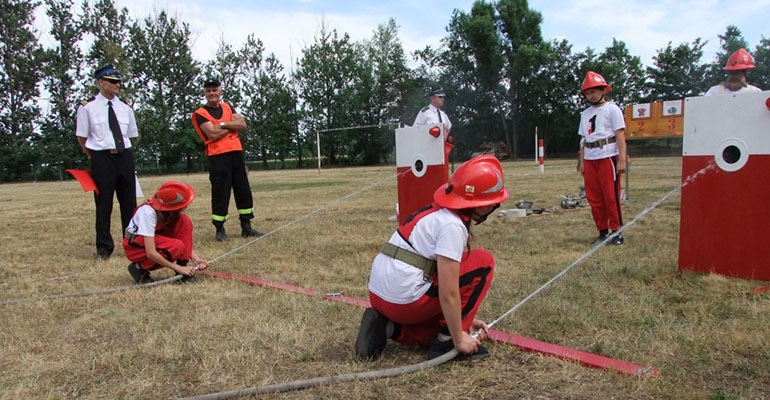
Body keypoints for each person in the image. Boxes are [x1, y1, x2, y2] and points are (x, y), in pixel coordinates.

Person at [355, 155, 509, 361]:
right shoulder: (452, 226)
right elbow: (449, 294)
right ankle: (447, 342)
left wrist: (462, 319)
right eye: (493, 204)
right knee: (483, 262)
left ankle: (390, 328)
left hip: (379, 296)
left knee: (443, 323)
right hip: (403, 302)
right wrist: (459, 337)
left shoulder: (434, 213)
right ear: (482, 205)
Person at [75, 64, 138, 261]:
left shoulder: (125, 107)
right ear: (101, 82)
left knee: (130, 203)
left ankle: (132, 244)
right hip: (102, 158)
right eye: (112, 81)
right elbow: (82, 136)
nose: (117, 85)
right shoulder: (88, 107)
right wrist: (91, 154)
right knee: (104, 205)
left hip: (124, 156)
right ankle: (104, 249)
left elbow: (130, 134)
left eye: (118, 81)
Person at [191, 78, 262, 241]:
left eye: (215, 90)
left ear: (220, 91)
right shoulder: (200, 113)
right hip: (218, 156)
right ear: (204, 93)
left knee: (243, 190)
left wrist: (222, 125)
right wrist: (231, 126)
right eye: (208, 90)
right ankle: (220, 229)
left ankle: (246, 226)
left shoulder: (228, 107)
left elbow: (243, 125)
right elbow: (212, 134)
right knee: (220, 192)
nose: (212, 93)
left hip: (236, 154)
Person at [123, 180, 209, 284]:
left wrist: (196, 259)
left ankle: (182, 271)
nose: (185, 207)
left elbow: (183, 239)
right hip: (135, 248)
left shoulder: (167, 212)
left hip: (154, 240)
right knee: (176, 246)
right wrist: (178, 268)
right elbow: (151, 252)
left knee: (184, 221)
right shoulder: (148, 213)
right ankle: (139, 268)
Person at [576, 71, 627, 246]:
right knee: (594, 198)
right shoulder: (585, 114)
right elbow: (583, 139)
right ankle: (602, 232)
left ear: (603, 90)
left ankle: (616, 232)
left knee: (610, 196)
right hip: (591, 158)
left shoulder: (612, 109)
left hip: (607, 155)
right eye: (588, 93)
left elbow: (620, 134)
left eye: (594, 92)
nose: (591, 96)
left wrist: (621, 159)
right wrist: (582, 162)